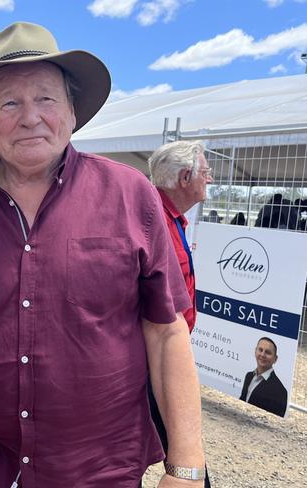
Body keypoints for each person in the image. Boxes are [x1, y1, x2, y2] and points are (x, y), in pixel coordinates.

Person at [0, 22, 205, 488]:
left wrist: (186, 466)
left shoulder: (132, 197)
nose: (30, 117)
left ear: (72, 111)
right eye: (9, 102)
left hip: (100, 470)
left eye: (46, 98)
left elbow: (167, 331)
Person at [148, 140, 213, 487]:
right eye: (205, 172)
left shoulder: (173, 218)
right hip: (153, 362)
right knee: (188, 460)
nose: (211, 178)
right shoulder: (152, 220)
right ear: (185, 177)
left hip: (166, 355)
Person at [239, 337, 288, 417]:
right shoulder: (249, 376)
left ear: (275, 359)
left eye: (268, 352)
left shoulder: (280, 391)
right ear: (255, 351)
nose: (262, 355)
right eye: (260, 350)